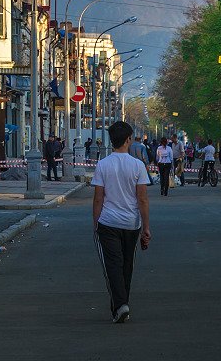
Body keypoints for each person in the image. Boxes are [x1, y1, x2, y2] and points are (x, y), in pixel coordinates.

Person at [92, 120, 151, 324]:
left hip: (108, 222)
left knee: (113, 266)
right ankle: (121, 304)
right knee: (127, 265)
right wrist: (146, 228)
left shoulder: (103, 164)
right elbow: (142, 199)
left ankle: (120, 305)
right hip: (131, 224)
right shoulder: (138, 166)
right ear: (129, 140)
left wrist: (95, 223)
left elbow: (98, 198)